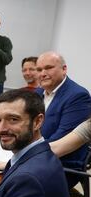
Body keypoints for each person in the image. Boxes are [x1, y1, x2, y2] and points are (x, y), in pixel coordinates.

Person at [36, 51, 91, 188]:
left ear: (64, 69)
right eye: (39, 69)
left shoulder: (78, 96)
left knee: (10, 183)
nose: (42, 73)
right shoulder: (38, 93)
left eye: (48, 68)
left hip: (62, 165)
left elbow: (60, 141)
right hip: (38, 155)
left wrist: (20, 158)